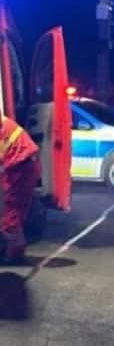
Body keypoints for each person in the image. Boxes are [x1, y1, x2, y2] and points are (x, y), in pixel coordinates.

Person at [0, 112, 41, 264]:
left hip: (20, 168)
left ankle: (14, 255)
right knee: (12, 211)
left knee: (11, 213)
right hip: (23, 166)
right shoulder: (5, 123)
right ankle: (14, 251)